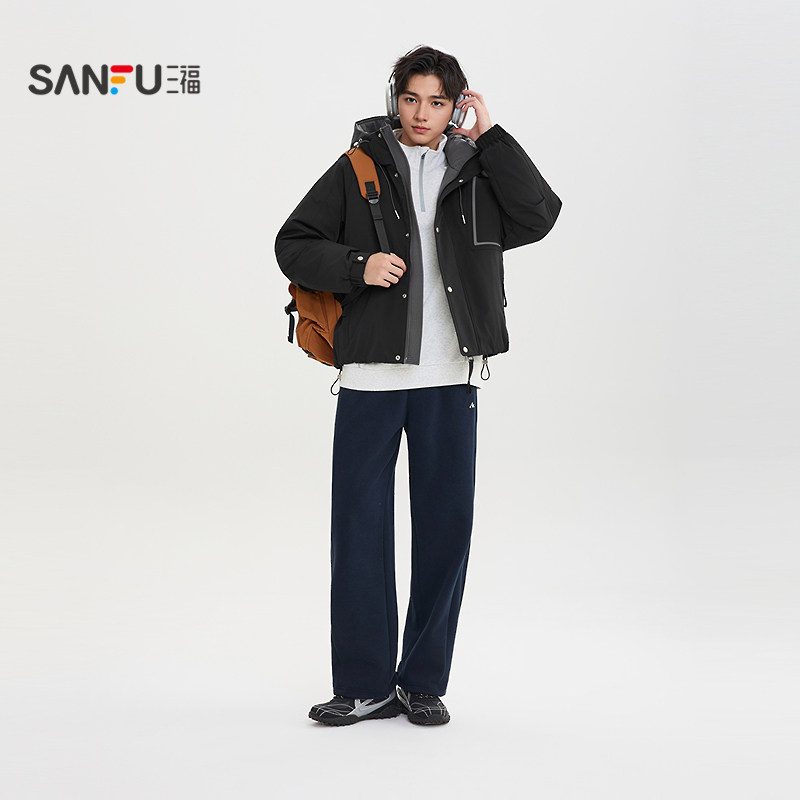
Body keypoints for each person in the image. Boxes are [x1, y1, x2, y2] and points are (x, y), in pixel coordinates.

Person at [274, 45, 562, 726]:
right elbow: (294, 243)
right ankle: (365, 684)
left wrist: (490, 135)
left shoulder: (476, 169)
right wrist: (358, 264)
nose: (422, 113)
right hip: (371, 375)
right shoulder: (359, 168)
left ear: (455, 105)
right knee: (359, 531)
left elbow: (539, 214)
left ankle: (422, 683)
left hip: (449, 377)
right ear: (394, 100)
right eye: (411, 99)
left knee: (444, 531)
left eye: (437, 101)